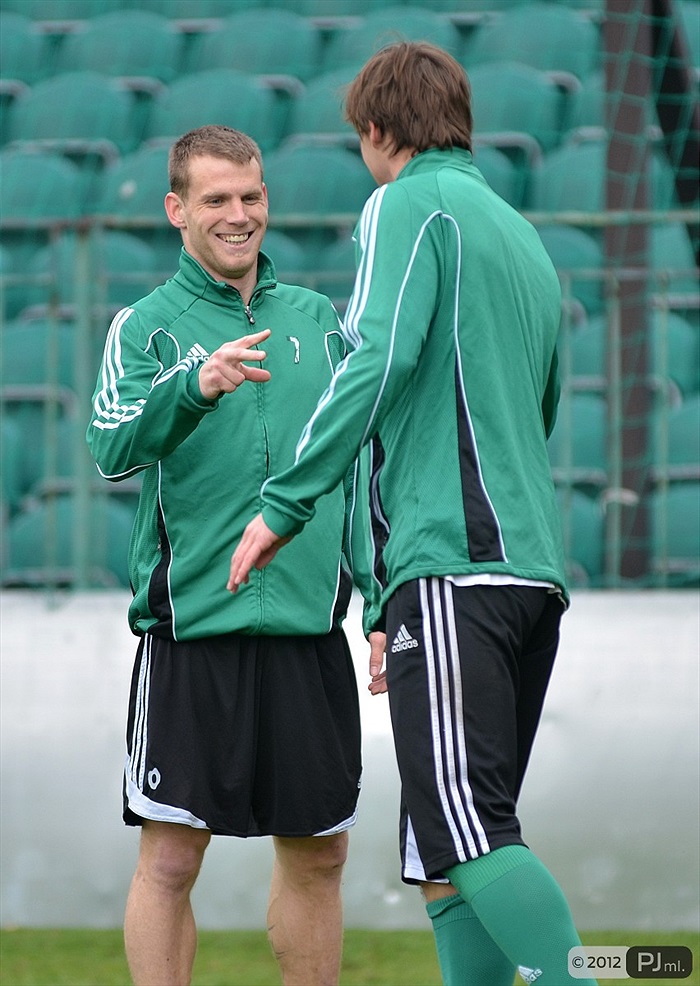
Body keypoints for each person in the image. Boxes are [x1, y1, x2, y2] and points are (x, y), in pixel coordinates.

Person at [229, 43, 598, 986]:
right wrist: (387, 601)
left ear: (379, 130)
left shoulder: (405, 203)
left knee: (471, 831)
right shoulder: (523, 236)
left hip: (455, 566)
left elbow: (378, 360)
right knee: (443, 859)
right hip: (525, 575)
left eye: (361, 137)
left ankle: (584, 977)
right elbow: (539, 408)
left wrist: (285, 501)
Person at [86, 125, 377, 986]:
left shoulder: (319, 320)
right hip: (194, 633)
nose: (238, 215)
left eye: (250, 196)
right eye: (216, 199)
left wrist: (381, 605)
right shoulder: (145, 327)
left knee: (320, 858)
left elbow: (357, 471)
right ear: (177, 211)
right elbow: (109, 448)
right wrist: (194, 386)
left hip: (307, 633)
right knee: (172, 863)